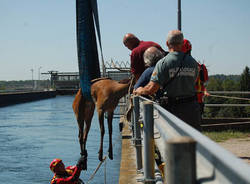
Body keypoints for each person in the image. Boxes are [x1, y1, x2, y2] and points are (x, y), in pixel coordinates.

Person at [134, 30, 201, 130]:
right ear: (182, 43)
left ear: (167, 43)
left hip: (172, 110)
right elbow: (194, 81)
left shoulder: (163, 63)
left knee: (173, 142)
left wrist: (140, 90)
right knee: (192, 142)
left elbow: (152, 89)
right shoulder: (193, 62)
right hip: (191, 108)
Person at [182, 39, 209, 117]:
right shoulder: (200, 67)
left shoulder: (181, 67)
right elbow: (204, 81)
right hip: (198, 102)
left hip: (185, 102)